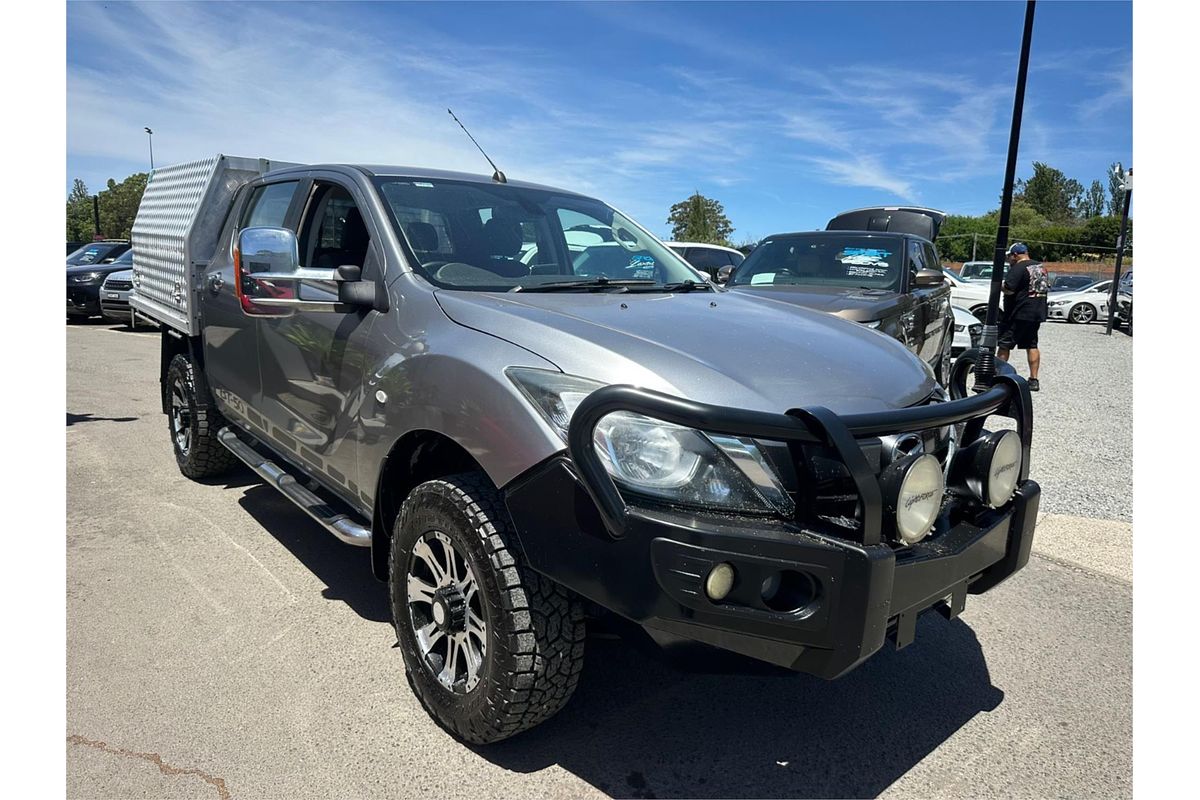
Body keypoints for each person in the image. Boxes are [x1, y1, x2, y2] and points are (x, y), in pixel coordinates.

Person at [998, 242, 1049, 391]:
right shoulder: (1041, 267)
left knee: (1004, 345)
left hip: (1018, 313)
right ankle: (1034, 380)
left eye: (1010, 256)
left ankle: (998, 376)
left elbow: (1009, 289)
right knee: (1032, 345)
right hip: (1036, 312)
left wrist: (1000, 286)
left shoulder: (1018, 268)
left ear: (1015, 255)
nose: (1009, 259)